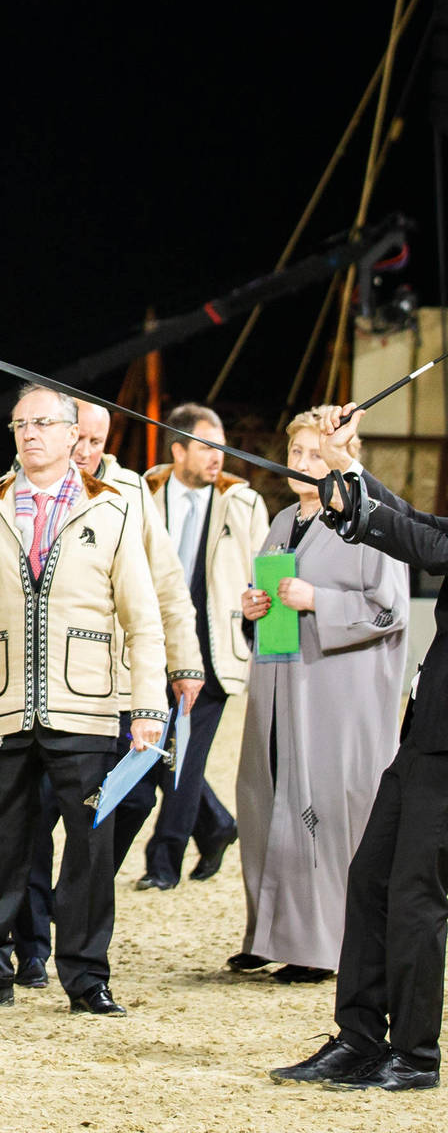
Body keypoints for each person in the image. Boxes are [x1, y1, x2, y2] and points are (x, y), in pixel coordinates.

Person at [0, 385, 167, 1016]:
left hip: (86, 709)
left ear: (70, 434)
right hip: (5, 708)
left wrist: (147, 708)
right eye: (20, 425)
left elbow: (142, 619)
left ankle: (87, 979)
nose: (30, 434)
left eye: (43, 424)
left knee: (90, 849)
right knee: (0, 846)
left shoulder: (113, 512)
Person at [269, 403, 446, 1092]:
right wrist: (347, 466)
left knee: (414, 897)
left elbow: (424, 546)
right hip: (426, 735)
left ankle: (418, 1054)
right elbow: (423, 525)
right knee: (371, 882)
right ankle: (360, 1038)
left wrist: (350, 483)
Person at [6, 401, 205, 988]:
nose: (87, 451)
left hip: (116, 685)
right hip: (41, 687)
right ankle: (33, 943)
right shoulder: (19, 488)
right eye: (81, 439)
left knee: (129, 802)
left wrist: (184, 661)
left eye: (96, 440)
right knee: (33, 817)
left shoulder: (128, 493)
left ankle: (73, 905)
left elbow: (166, 585)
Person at [236, 407, 408, 984]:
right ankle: (269, 932)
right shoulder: (284, 521)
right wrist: (252, 611)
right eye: (296, 455)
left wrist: (319, 600)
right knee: (268, 796)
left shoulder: (368, 521)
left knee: (325, 810)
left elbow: (388, 609)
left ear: (341, 456)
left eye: (315, 454)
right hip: (281, 679)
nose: (303, 465)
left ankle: (323, 946)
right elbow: (267, 596)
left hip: (340, 692)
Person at [116, 402, 269, 890]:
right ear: (177, 449)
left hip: (213, 651)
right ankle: (217, 824)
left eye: (220, 446)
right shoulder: (141, 492)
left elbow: (263, 568)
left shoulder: (243, 503)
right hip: (148, 646)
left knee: (182, 757)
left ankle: (164, 863)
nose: (216, 456)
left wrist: (254, 607)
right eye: (205, 446)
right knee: (151, 751)